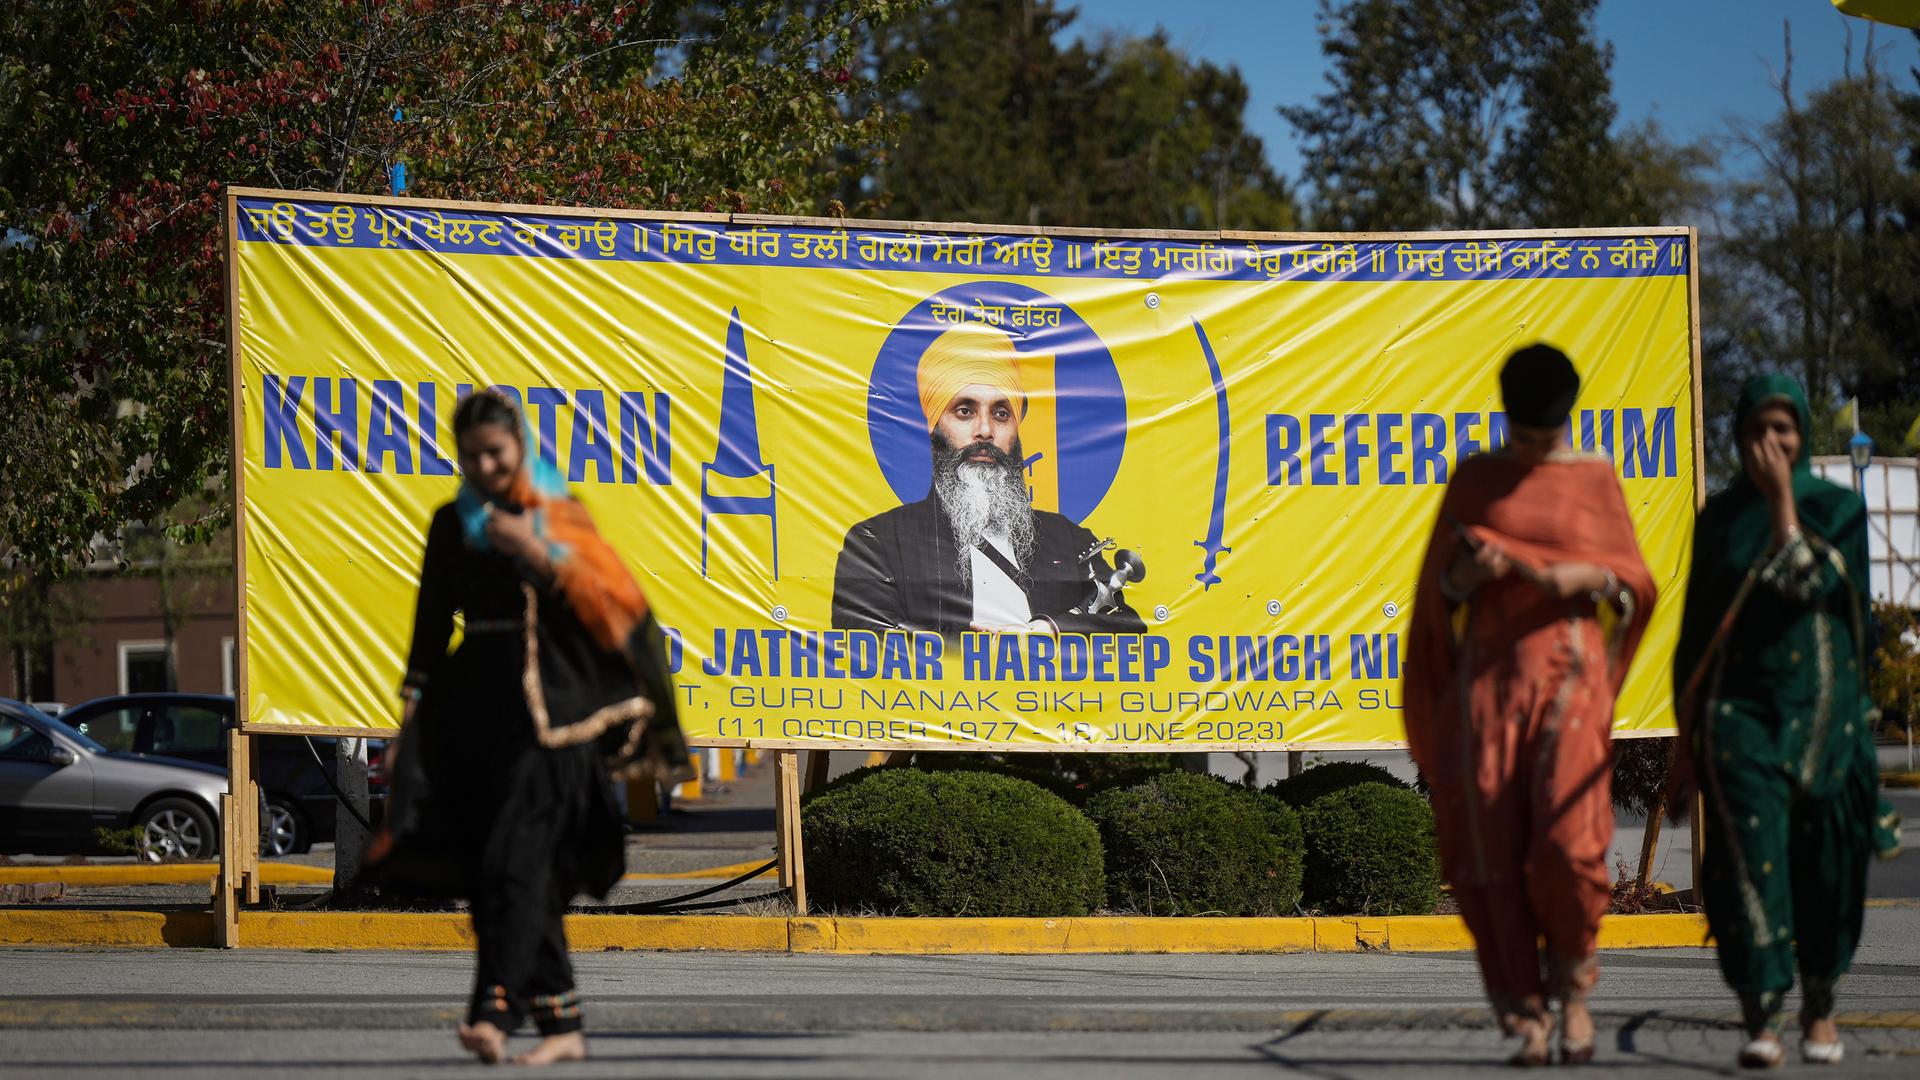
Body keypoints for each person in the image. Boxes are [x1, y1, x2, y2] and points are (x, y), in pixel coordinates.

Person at [365, 388, 686, 1066]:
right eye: (472, 456)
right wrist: (408, 724)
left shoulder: (555, 514)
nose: (485, 467)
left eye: (496, 452)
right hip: (475, 714)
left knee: (517, 856)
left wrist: (536, 554)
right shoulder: (452, 523)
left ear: (520, 447)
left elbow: (615, 608)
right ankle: (563, 1026)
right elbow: (428, 629)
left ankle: (494, 1010)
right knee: (497, 868)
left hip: (555, 720)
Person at [1404, 344, 1656, 1067]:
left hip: (1570, 680)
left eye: (1543, 439)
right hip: (1489, 683)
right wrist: (1463, 576)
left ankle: (1574, 991)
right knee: (1483, 844)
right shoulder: (1477, 479)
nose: (1533, 451)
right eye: (1523, 437)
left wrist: (1595, 576)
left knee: (1567, 845)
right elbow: (1434, 595)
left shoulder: (1594, 477)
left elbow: (1634, 581)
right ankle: (1522, 1009)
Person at [1670, 374, 1901, 1069]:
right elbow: (1695, 637)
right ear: (1738, 437)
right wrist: (1684, 743)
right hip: (1740, 722)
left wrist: (1782, 507)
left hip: (1827, 720)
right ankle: (1759, 1016)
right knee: (1746, 868)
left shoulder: (1839, 511)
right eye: (1756, 433)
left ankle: (1821, 1010)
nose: (1771, 445)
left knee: (1827, 873)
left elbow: (1820, 591)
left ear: (1801, 434)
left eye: (1784, 431)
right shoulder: (1720, 520)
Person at [832, 322, 1144, 640]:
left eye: (1001, 413)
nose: (985, 431)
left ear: (1015, 430)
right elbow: (864, 641)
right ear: (934, 426)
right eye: (965, 411)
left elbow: (1127, 626)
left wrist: (1052, 629)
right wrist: (980, 654)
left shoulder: (1068, 539)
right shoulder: (876, 543)